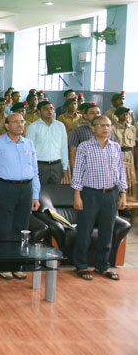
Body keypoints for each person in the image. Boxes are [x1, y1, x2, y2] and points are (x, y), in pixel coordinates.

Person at [0, 112, 41, 280]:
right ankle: (4, 265)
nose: (20, 124)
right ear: (7, 125)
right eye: (15, 122)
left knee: (22, 229)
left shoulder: (29, 143)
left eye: (22, 121)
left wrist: (35, 195)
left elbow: (35, 171)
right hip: (5, 188)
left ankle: (17, 265)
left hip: (26, 188)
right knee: (5, 228)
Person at [71, 115, 127, 281]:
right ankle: (81, 266)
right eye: (101, 125)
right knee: (85, 231)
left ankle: (102, 266)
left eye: (108, 126)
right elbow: (78, 173)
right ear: (93, 128)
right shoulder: (84, 147)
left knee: (106, 231)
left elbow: (120, 172)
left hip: (110, 194)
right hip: (90, 194)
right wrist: (77, 195)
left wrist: (122, 193)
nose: (105, 128)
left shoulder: (115, 147)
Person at [26, 101, 69, 185]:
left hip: (57, 165)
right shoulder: (33, 127)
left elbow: (64, 147)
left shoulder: (60, 126)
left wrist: (64, 166)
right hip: (40, 165)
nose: (49, 111)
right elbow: (29, 150)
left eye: (51, 108)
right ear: (39, 112)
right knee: (39, 192)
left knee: (55, 193)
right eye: (45, 109)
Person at [69, 103, 118, 170]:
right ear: (85, 116)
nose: (96, 115)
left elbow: (116, 151)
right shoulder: (77, 131)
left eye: (98, 113)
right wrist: (74, 173)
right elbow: (73, 154)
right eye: (92, 113)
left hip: (107, 169)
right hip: (87, 170)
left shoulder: (108, 130)